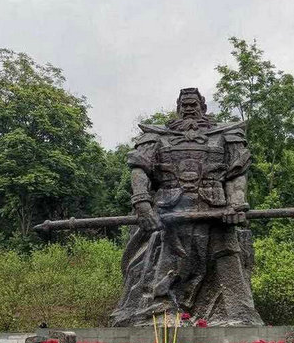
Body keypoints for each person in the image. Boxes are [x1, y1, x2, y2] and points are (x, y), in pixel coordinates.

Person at [110, 88, 263, 327]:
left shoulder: (225, 135)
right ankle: (160, 313)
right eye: (185, 104)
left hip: (215, 208)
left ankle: (237, 314)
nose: (189, 108)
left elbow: (237, 173)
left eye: (194, 104)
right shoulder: (156, 136)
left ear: (203, 106)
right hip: (169, 210)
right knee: (166, 260)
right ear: (178, 107)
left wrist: (236, 202)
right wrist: (142, 203)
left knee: (227, 256)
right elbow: (139, 169)